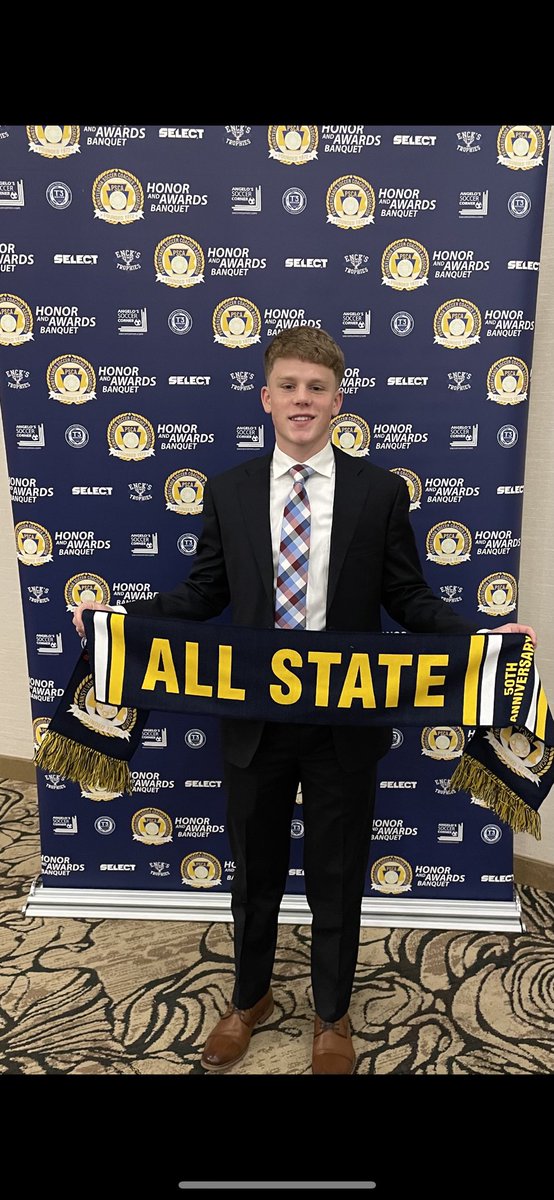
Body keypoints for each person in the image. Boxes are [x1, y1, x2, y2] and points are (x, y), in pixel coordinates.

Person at [72, 327, 537, 1075]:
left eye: (316, 389)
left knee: (337, 872)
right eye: (288, 386)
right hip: (256, 723)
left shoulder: (378, 492)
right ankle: (247, 997)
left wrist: (483, 638)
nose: (302, 400)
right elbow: (204, 593)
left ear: (337, 401)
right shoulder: (228, 490)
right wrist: (120, 621)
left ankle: (331, 1012)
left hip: (343, 726)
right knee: (253, 870)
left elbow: (408, 596)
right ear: (267, 397)